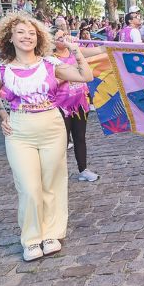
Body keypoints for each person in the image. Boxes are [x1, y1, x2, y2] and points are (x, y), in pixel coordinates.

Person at [0, 12, 94, 261]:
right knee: (29, 187)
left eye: (32, 33)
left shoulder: (50, 64)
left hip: (51, 125)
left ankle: (52, 234)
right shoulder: (1, 69)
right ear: (9, 37)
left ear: (39, 38)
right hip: (19, 129)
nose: (27, 37)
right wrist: (3, 114)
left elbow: (85, 76)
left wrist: (75, 51)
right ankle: (31, 238)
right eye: (21, 32)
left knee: (52, 183)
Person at [53, 29, 102, 182]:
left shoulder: (75, 51)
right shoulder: (50, 59)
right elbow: (52, 82)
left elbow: (99, 50)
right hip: (61, 106)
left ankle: (83, 169)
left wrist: (118, 46)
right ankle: (57, 174)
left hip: (80, 102)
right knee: (61, 141)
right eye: (59, 37)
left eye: (64, 35)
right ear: (51, 41)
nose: (64, 38)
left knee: (80, 137)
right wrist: (71, 71)